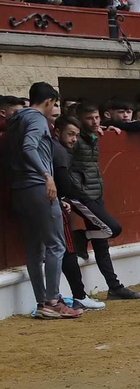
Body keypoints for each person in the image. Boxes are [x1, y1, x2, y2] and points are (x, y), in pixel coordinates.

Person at [4, 84, 78, 318]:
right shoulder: (36, 119)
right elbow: (29, 147)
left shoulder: (15, 121)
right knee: (55, 245)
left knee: (35, 248)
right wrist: (46, 176)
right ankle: (53, 301)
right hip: (38, 186)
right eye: (54, 104)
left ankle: (42, 302)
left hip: (19, 188)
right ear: (48, 101)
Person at [65, 102, 140, 299]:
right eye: (89, 118)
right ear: (79, 120)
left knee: (102, 242)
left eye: (97, 117)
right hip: (82, 195)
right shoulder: (75, 140)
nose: (95, 121)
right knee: (112, 228)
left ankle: (114, 287)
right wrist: (78, 191)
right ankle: (81, 236)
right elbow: (66, 168)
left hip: (94, 193)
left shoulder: (92, 136)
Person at [46, 117, 107, 311]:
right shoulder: (59, 151)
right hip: (55, 204)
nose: (74, 139)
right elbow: (65, 184)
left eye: (76, 135)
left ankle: (51, 298)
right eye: (70, 134)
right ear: (57, 132)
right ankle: (77, 295)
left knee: (50, 250)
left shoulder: (52, 147)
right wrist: (65, 197)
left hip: (43, 201)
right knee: (67, 249)